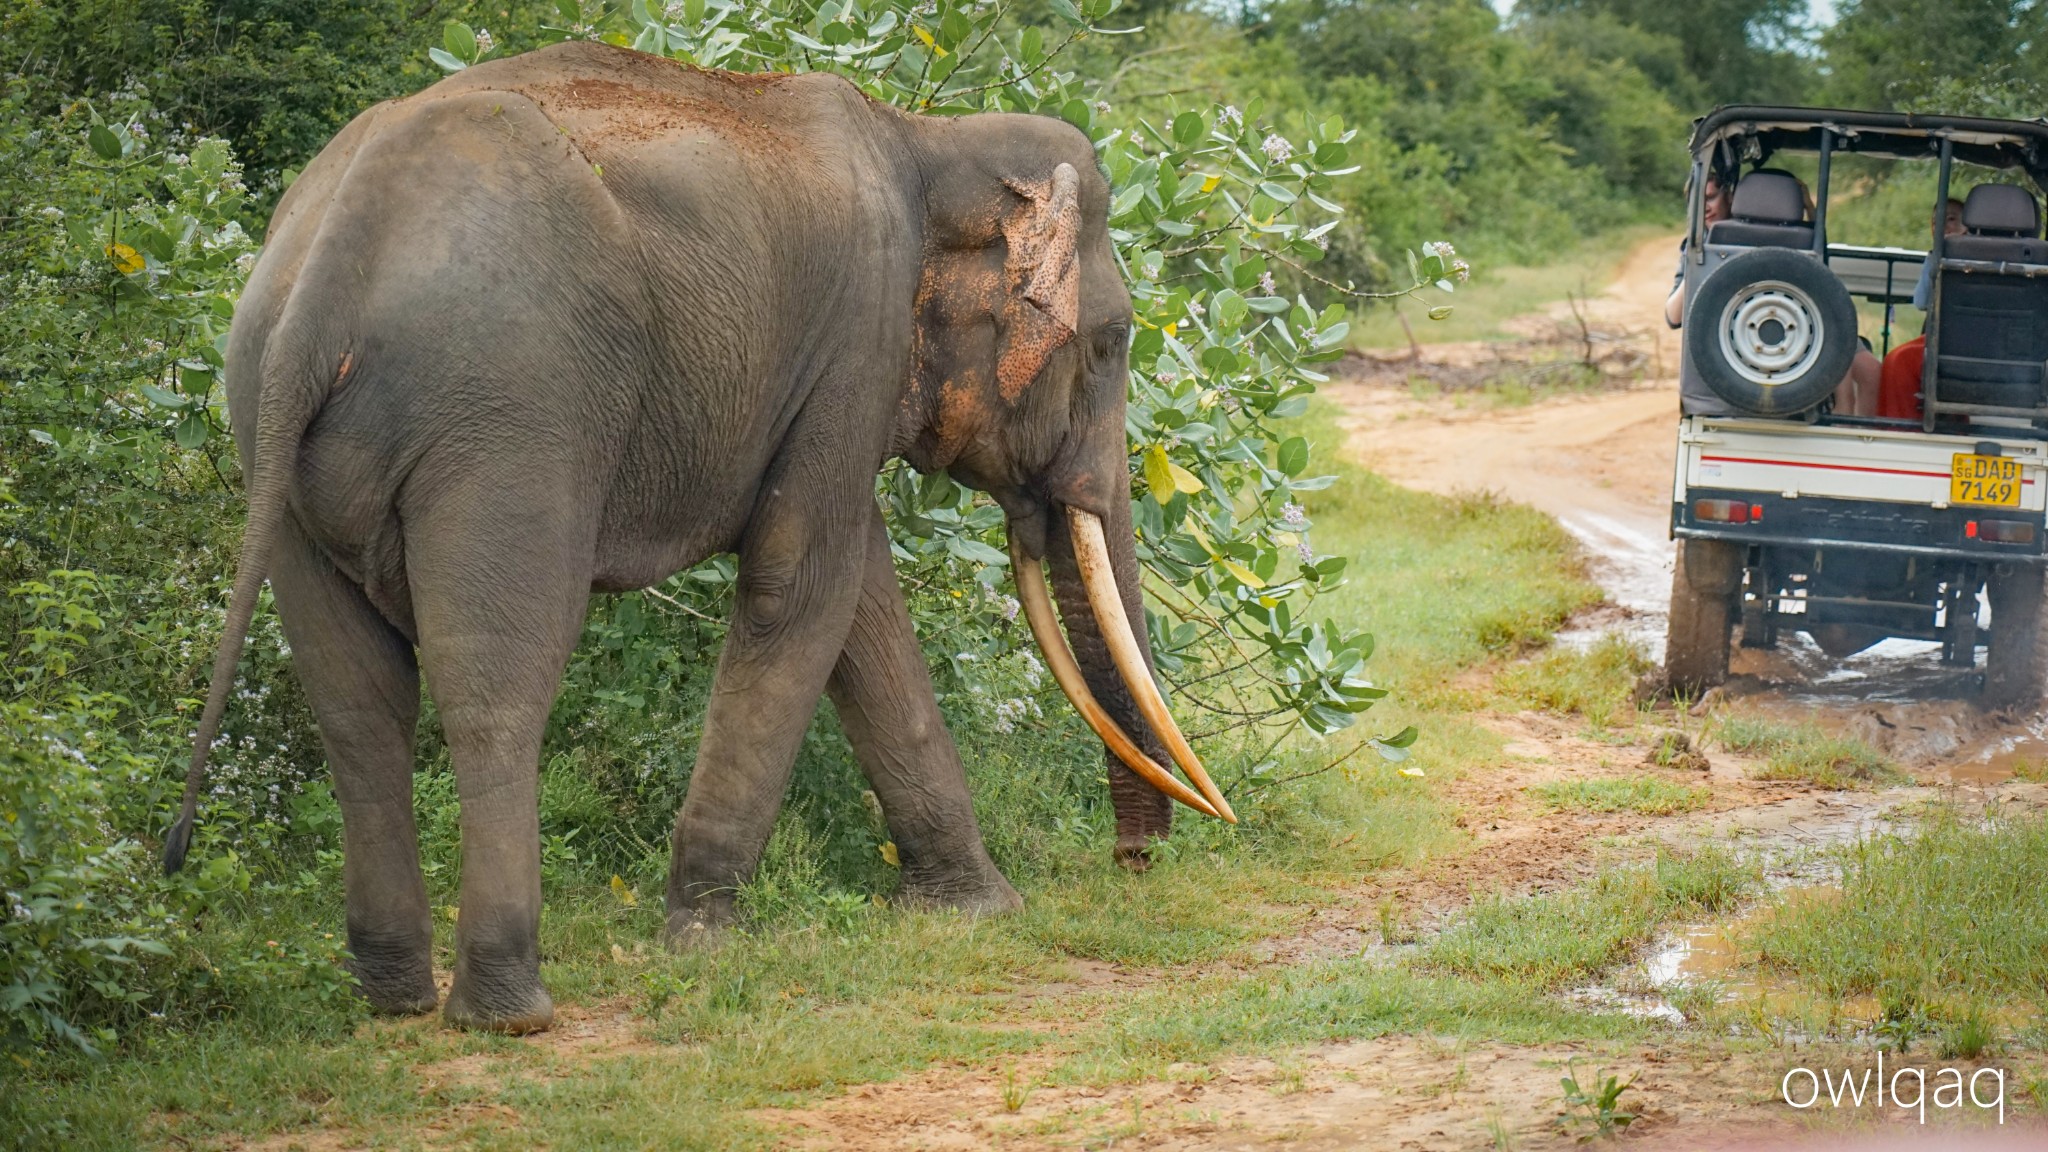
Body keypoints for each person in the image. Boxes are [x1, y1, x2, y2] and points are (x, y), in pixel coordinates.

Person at [1877, 197, 1967, 420]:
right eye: (1936, 222)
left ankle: (1900, 427)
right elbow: (1921, 301)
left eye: (1951, 220)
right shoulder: (1937, 257)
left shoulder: (1974, 256)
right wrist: (1935, 257)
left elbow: (1922, 302)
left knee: (1897, 360)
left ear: (1969, 224)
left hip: (1954, 342)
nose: (1941, 227)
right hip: (1952, 341)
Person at [1664, 174, 1732, 328]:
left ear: (1729, 196)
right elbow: (1673, 318)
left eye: (1710, 198)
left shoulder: (1757, 237)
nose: (1704, 208)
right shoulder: (1695, 246)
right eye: (1697, 202)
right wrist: (1695, 266)